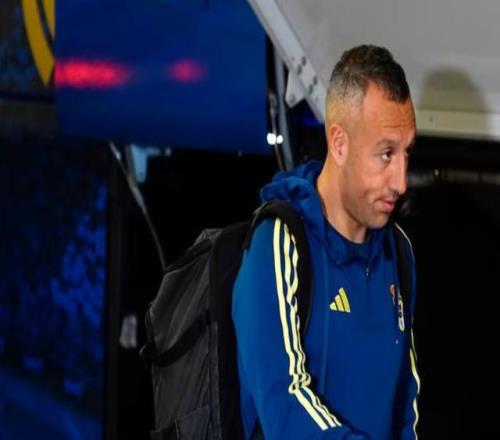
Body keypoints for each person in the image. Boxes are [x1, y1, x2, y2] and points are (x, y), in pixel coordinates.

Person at [232, 45, 420, 440]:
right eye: (386, 154)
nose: (401, 181)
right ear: (339, 143)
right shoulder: (280, 243)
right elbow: (285, 405)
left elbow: (406, 406)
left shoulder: (397, 251)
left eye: (406, 153)